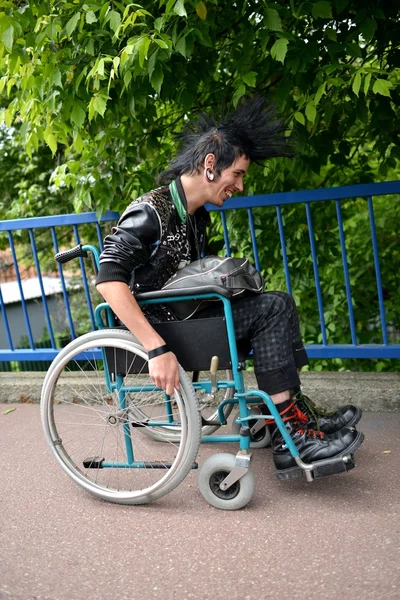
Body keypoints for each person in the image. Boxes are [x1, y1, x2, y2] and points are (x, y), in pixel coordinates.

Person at [95, 96, 364, 477]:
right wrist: (156, 349)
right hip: (159, 330)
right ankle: (291, 434)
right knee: (271, 308)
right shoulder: (151, 211)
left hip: (189, 317)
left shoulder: (195, 218)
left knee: (277, 302)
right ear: (210, 166)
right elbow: (108, 281)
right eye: (236, 174)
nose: (239, 185)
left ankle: (291, 421)